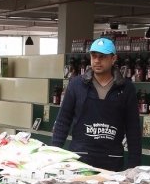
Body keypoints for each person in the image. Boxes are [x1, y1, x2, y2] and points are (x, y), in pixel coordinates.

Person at [51, 38, 141, 171]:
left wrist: (134, 166)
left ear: (113, 58)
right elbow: (63, 121)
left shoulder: (126, 88)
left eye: (102, 57)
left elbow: (133, 128)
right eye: (94, 56)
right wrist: (53, 156)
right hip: (80, 158)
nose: (97, 61)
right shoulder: (76, 85)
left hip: (112, 160)